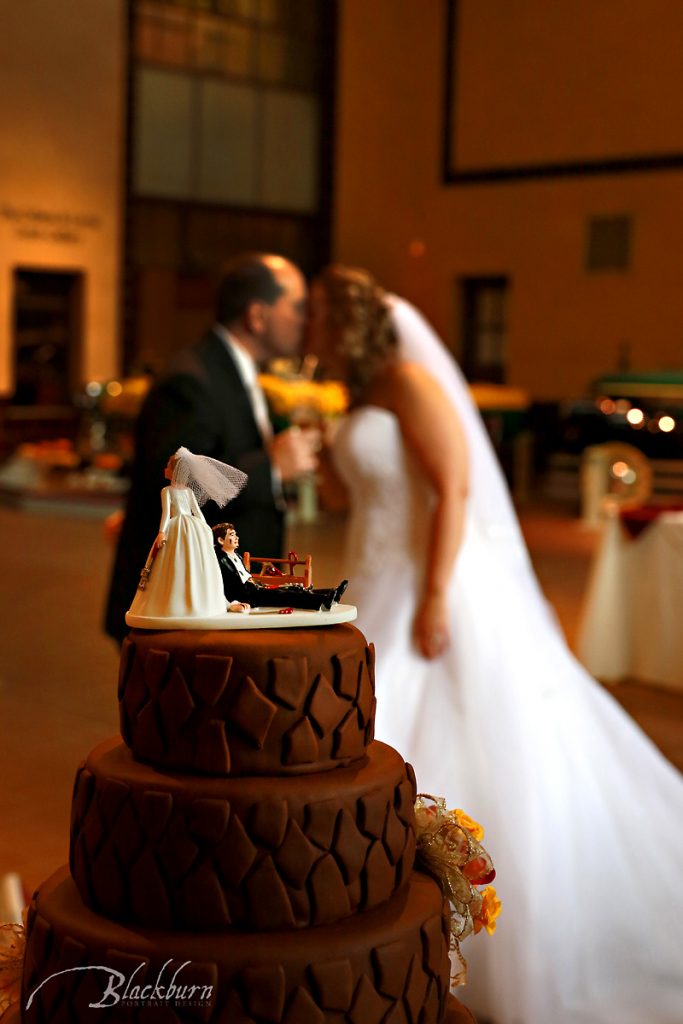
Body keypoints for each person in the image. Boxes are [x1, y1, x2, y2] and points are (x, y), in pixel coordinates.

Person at [308, 265, 683, 1024]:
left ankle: (435, 916)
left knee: (416, 733)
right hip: (371, 571)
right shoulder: (358, 393)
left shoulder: (411, 381)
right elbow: (359, 495)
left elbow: (454, 487)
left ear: (345, 320)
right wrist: (321, 453)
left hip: (429, 579)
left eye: (317, 313)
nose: (308, 326)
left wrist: (437, 594)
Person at [105, 252, 320, 643]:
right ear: (257, 315)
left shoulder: (231, 370)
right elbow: (180, 486)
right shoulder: (191, 380)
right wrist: (271, 467)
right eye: (297, 307)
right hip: (184, 608)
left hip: (219, 601)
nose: (304, 320)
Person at [128, 448, 246, 619]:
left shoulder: (171, 491)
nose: (164, 469)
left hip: (181, 526)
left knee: (190, 560)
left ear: (175, 471)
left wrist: (204, 529)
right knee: (181, 560)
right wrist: (164, 533)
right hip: (189, 527)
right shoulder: (170, 491)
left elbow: (183, 512)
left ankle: (203, 601)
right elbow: (184, 513)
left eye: (168, 466)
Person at [212, 522, 348, 611]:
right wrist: (231, 605)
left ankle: (330, 593)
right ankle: (322, 602)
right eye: (232, 535)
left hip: (254, 588)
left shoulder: (237, 556)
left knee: (293, 588)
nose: (237, 538)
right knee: (284, 596)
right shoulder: (220, 560)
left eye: (236, 534)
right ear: (220, 540)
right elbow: (219, 587)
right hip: (249, 596)